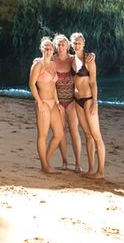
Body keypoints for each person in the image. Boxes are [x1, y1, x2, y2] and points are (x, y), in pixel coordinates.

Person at [70, 31, 106, 178]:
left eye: (79, 42)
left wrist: (95, 102)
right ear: (72, 45)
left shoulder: (89, 59)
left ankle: (101, 171)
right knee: (87, 135)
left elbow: (93, 82)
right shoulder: (71, 60)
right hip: (77, 101)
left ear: (84, 43)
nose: (77, 44)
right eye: (75, 42)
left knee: (96, 135)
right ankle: (91, 169)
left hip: (89, 100)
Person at [48, 33, 84, 171]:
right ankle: (64, 162)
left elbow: (85, 58)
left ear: (68, 45)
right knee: (61, 131)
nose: (61, 46)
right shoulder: (52, 60)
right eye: (58, 44)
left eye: (63, 43)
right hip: (58, 101)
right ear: (55, 47)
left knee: (74, 130)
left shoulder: (73, 59)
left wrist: (92, 55)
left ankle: (78, 164)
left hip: (72, 101)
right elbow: (42, 62)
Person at [28, 37, 64, 173]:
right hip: (42, 102)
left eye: (50, 48)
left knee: (59, 134)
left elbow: (54, 85)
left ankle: (46, 160)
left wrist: (58, 101)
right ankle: (44, 165)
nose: (48, 50)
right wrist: (39, 102)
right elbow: (31, 84)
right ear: (41, 49)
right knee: (42, 135)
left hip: (53, 103)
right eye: (45, 48)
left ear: (53, 49)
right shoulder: (37, 65)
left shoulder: (54, 65)